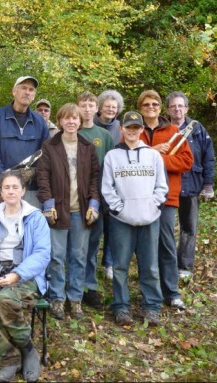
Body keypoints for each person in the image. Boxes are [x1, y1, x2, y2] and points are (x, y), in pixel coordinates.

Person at [0, 171, 51, 383]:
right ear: (1, 191)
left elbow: (42, 253)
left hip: (24, 274)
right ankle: (9, 358)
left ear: (23, 191)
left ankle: (27, 349)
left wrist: (17, 274)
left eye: (15, 187)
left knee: (5, 299)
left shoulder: (35, 218)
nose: (11, 191)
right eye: (7, 187)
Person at [101, 111, 168, 326]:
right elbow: (107, 188)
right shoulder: (112, 156)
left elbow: (162, 187)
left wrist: (151, 206)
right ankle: (121, 307)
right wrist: (120, 209)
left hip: (150, 219)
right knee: (120, 266)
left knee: (150, 266)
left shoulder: (153, 155)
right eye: (128, 127)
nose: (132, 131)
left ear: (141, 130)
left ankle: (152, 308)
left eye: (136, 127)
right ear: (122, 129)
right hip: (121, 221)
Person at [37, 103, 100, 320]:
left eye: (75, 118)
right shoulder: (50, 146)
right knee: (56, 256)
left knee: (79, 256)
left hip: (81, 211)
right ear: (60, 121)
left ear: (80, 121)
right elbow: (43, 177)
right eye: (66, 118)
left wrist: (94, 204)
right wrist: (48, 203)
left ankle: (75, 299)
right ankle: (57, 298)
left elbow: (94, 179)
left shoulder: (88, 147)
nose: (71, 122)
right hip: (58, 209)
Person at [138, 90, 193, 310]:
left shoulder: (174, 132)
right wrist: (151, 152)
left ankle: (171, 292)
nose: (151, 107)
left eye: (155, 104)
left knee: (166, 245)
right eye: (146, 104)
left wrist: (159, 158)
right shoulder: (134, 130)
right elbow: (125, 158)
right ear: (140, 108)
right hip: (139, 198)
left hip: (166, 198)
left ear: (161, 108)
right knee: (144, 248)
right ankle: (150, 293)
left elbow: (185, 162)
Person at [166, 91, 216, 278]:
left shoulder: (197, 128)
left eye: (180, 106)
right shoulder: (163, 129)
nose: (177, 109)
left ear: (186, 108)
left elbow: (208, 157)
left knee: (189, 228)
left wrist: (208, 184)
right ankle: (167, 265)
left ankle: (184, 267)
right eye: (173, 106)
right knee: (167, 228)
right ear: (168, 109)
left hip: (192, 184)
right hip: (168, 185)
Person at [0, 76, 49, 208]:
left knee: (29, 226)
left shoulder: (40, 121)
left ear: (34, 95)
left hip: (30, 189)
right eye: (23, 88)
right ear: (14, 91)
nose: (27, 92)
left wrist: (34, 172)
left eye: (31, 90)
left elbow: (47, 152)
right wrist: (3, 178)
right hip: (2, 188)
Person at [76, 92, 114, 311]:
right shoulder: (72, 131)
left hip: (97, 199)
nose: (87, 109)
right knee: (75, 247)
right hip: (73, 200)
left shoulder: (103, 136)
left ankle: (89, 286)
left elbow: (110, 168)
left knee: (91, 245)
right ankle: (73, 286)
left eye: (91, 105)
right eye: (84, 105)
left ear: (96, 108)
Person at [93, 90, 125, 281]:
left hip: (115, 182)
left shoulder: (120, 128)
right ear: (100, 107)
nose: (110, 109)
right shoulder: (90, 124)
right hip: (95, 180)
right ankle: (92, 261)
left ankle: (109, 263)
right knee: (95, 225)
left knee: (113, 224)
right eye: (107, 106)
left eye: (114, 107)